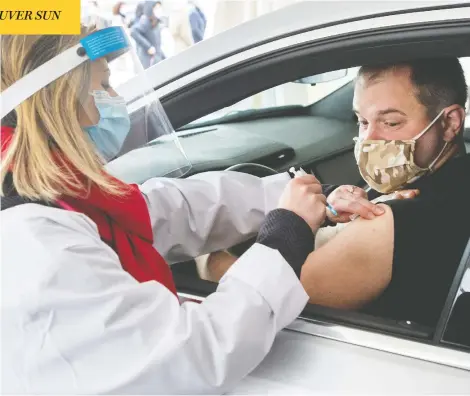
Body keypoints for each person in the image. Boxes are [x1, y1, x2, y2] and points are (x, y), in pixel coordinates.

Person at [0, 25, 327, 394]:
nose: (114, 99)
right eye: (102, 87)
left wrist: (290, 193)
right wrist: (285, 237)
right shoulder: (33, 242)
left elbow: (171, 210)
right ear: (59, 102)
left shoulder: (56, 192)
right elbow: (190, 356)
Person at [199, 58, 470, 328]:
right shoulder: (446, 185)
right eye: (362, 121)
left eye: (390, 123)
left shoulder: (400, 220)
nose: (369, 140)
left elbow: (265, 296)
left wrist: (204, 253)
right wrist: (327, 214)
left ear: (450, 122)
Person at [130, 1, 166, 68]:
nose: (159, 10)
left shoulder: (156, 22)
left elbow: (157, 45)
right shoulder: (145, 20)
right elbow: (133, 32)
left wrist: (164, 57)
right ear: (150, 9)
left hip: (156, 59)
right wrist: (148, 47)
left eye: (159, 7)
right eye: (156, 8)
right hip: (148, 61)